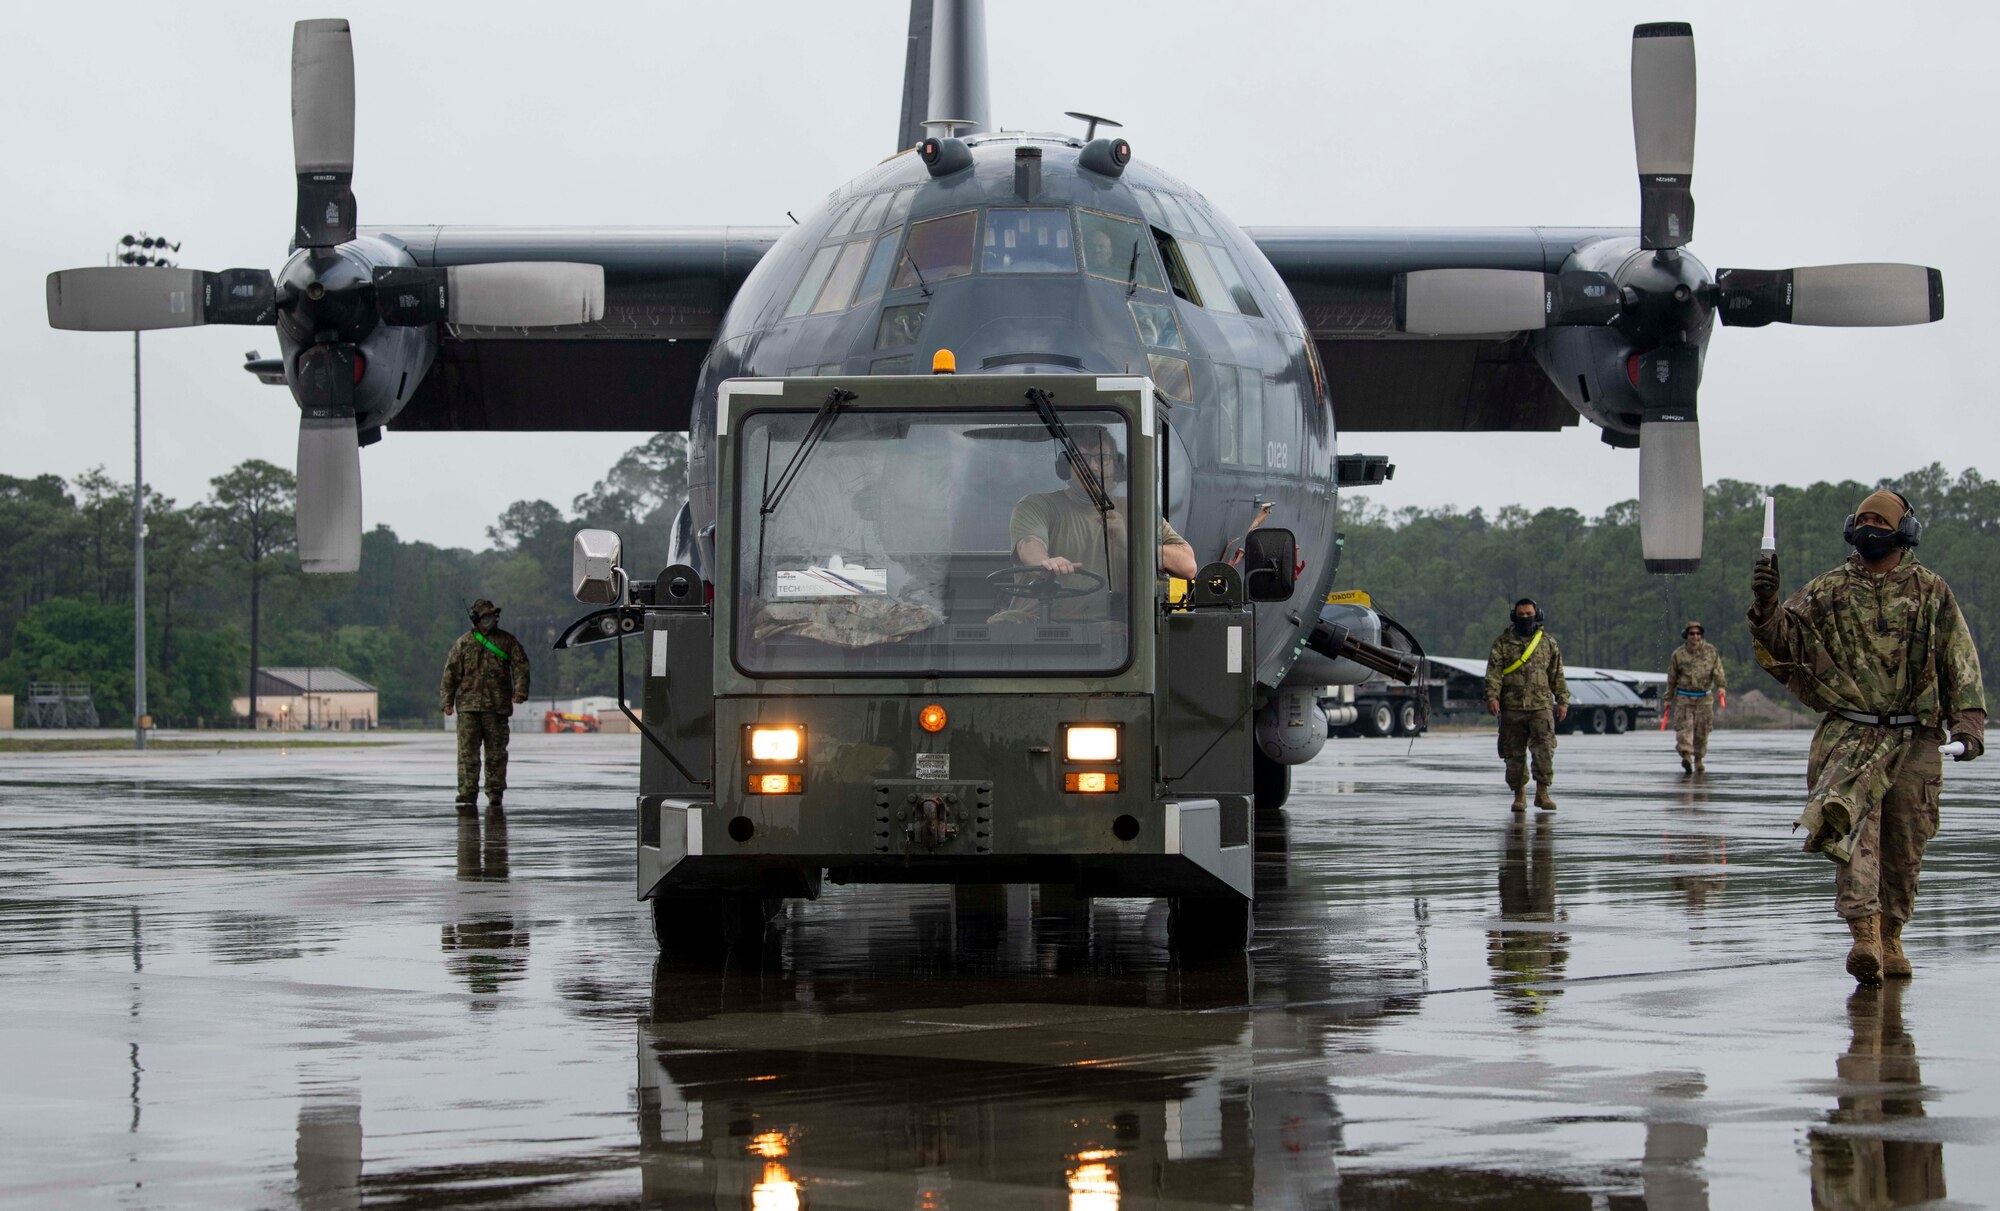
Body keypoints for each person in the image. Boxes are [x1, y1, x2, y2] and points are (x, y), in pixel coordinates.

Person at [1749, 488, 1985, 984]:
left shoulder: (1931, 592)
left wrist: (1968, 724)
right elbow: (1782, 640)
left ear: (1905, 532)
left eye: (1881, 522)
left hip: (1914, 738)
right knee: (1850, 834)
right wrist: (1766, 603)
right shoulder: (1830, 588)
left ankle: (1893, 932)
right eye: (1863, 521)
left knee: (1906, 844)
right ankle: (1864, 936)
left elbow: (1958, 658)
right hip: (1849, 735)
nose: (1870, 530)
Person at [990, 428, 1197, 623]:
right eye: (1082, 458)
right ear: (1066, 467)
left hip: (1109, 638)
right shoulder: (1038, 505)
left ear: (1117, 467)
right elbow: (1028, 544)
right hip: (1036, 628)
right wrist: (1046, 562)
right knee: (1006, 624)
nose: (1093, 467)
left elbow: (1187, 565)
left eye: (1101, 458)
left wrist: (1131, 542)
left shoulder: (1138, 512)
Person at [440, 598, 531, 812]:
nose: (492, 619)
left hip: (497, 708)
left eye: (493, 616)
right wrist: (447, 701)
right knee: (467, 754)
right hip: (469, 708)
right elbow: (450, 673)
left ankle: (495, 792)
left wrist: (520, 692)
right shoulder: (463, 643)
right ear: (476, 619)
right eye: (487, 616)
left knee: (496, 753)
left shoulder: (507, 641)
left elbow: (521, 667)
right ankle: (467, 791)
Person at [1484, 598, 1569, 812]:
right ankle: (1519, 794)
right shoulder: (1503, 643)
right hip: (1512, 708)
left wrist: (1562, 700)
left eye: (1528, 614)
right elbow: (1493, 674)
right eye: (1520, 615)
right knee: (1514, 755)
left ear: (1537, 614)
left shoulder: (1548, 642)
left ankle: (1542, 793)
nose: (1525, 618)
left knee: (1544, 752)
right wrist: (1492, 697)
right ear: (1514, 616)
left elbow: (1557, 674)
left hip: (1541, 707)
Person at [1664, 619, 1727, 776]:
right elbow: (1671, 677)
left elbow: (1718, 671)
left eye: (1698, 633)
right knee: (1684, 730)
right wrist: (1668, 697)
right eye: (1692, 633)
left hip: (1704, 698)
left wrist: (1721, 687)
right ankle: (1686, 757)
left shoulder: (1711, 652)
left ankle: (1698, 759)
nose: (1695, 636)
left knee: (1702, 732)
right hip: (1684, 697)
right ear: (1687, 635)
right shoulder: (1678, 655)